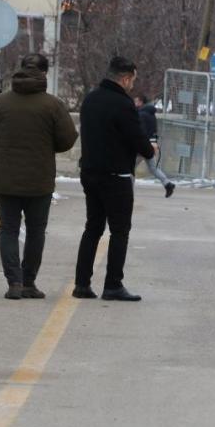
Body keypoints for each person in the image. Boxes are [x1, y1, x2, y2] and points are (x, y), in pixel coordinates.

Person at [0, 54, 78, 300]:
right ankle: (28, 282)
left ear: (20, 70)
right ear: (44, 74)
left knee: (9, 230)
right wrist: (46, 145)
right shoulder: (52, 105)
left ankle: (13, 283)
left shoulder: (0, 102)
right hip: (39, 181)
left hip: (6, 180)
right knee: (36, 231)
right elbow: (68, 139)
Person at [74, 57, 156, 302]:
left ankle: (82, 283)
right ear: (126, 77)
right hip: (116, 176)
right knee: (119, 231)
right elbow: (137, 138)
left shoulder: (90, 99)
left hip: (89, 172)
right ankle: (113, 285)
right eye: (133, 79)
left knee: (93, 228)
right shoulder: (123, 104)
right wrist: (151, 150)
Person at [134, 95, 175, 198]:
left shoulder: (141, 114)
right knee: (153, 168)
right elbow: (154, 131)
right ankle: (167, 184)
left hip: (141, 146)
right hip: (150, 145)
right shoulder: (151, 115)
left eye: (136, 101)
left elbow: (140, 132)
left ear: (141, 102)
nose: (134, 103)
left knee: (130, 168)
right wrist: (154, 143)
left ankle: (128, 190)